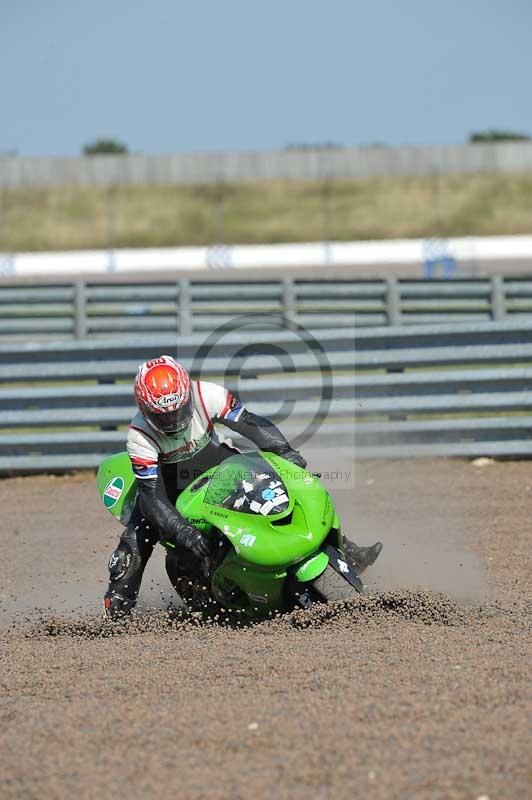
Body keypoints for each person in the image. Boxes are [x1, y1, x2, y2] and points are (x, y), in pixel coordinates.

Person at [104, 355, 381, 619]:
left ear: (187, 394)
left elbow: (249, 423)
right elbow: (151, 495)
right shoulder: (139, 435)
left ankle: (347, 549)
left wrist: (284, 451)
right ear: (144, 409)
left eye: (178, 411)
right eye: (163, 417)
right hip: (170, 487)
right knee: (139, 533)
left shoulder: (207, 394)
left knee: (281, 477)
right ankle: (118, 607)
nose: (173, 420)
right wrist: (184, 532)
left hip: (220, 463)